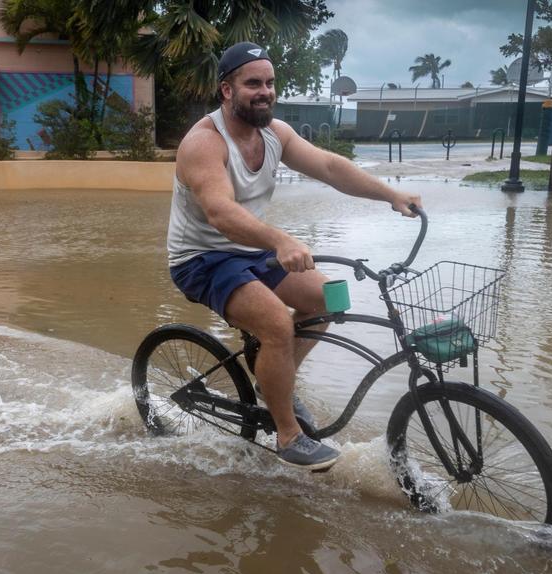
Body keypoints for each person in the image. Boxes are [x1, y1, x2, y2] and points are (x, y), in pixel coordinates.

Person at [168, 41, 422, 471]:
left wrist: (390, 194)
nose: (264, 91)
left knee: (330, 298)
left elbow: (329, 167)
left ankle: (272, 380)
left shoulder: (275, 133)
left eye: (269, 82)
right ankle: (288, 435)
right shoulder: (204, 143)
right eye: (252, 83)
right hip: (202, 259)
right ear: (227, 90)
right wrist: (281, 240)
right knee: (277, 325)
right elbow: (220, 212)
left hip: (250, 252)